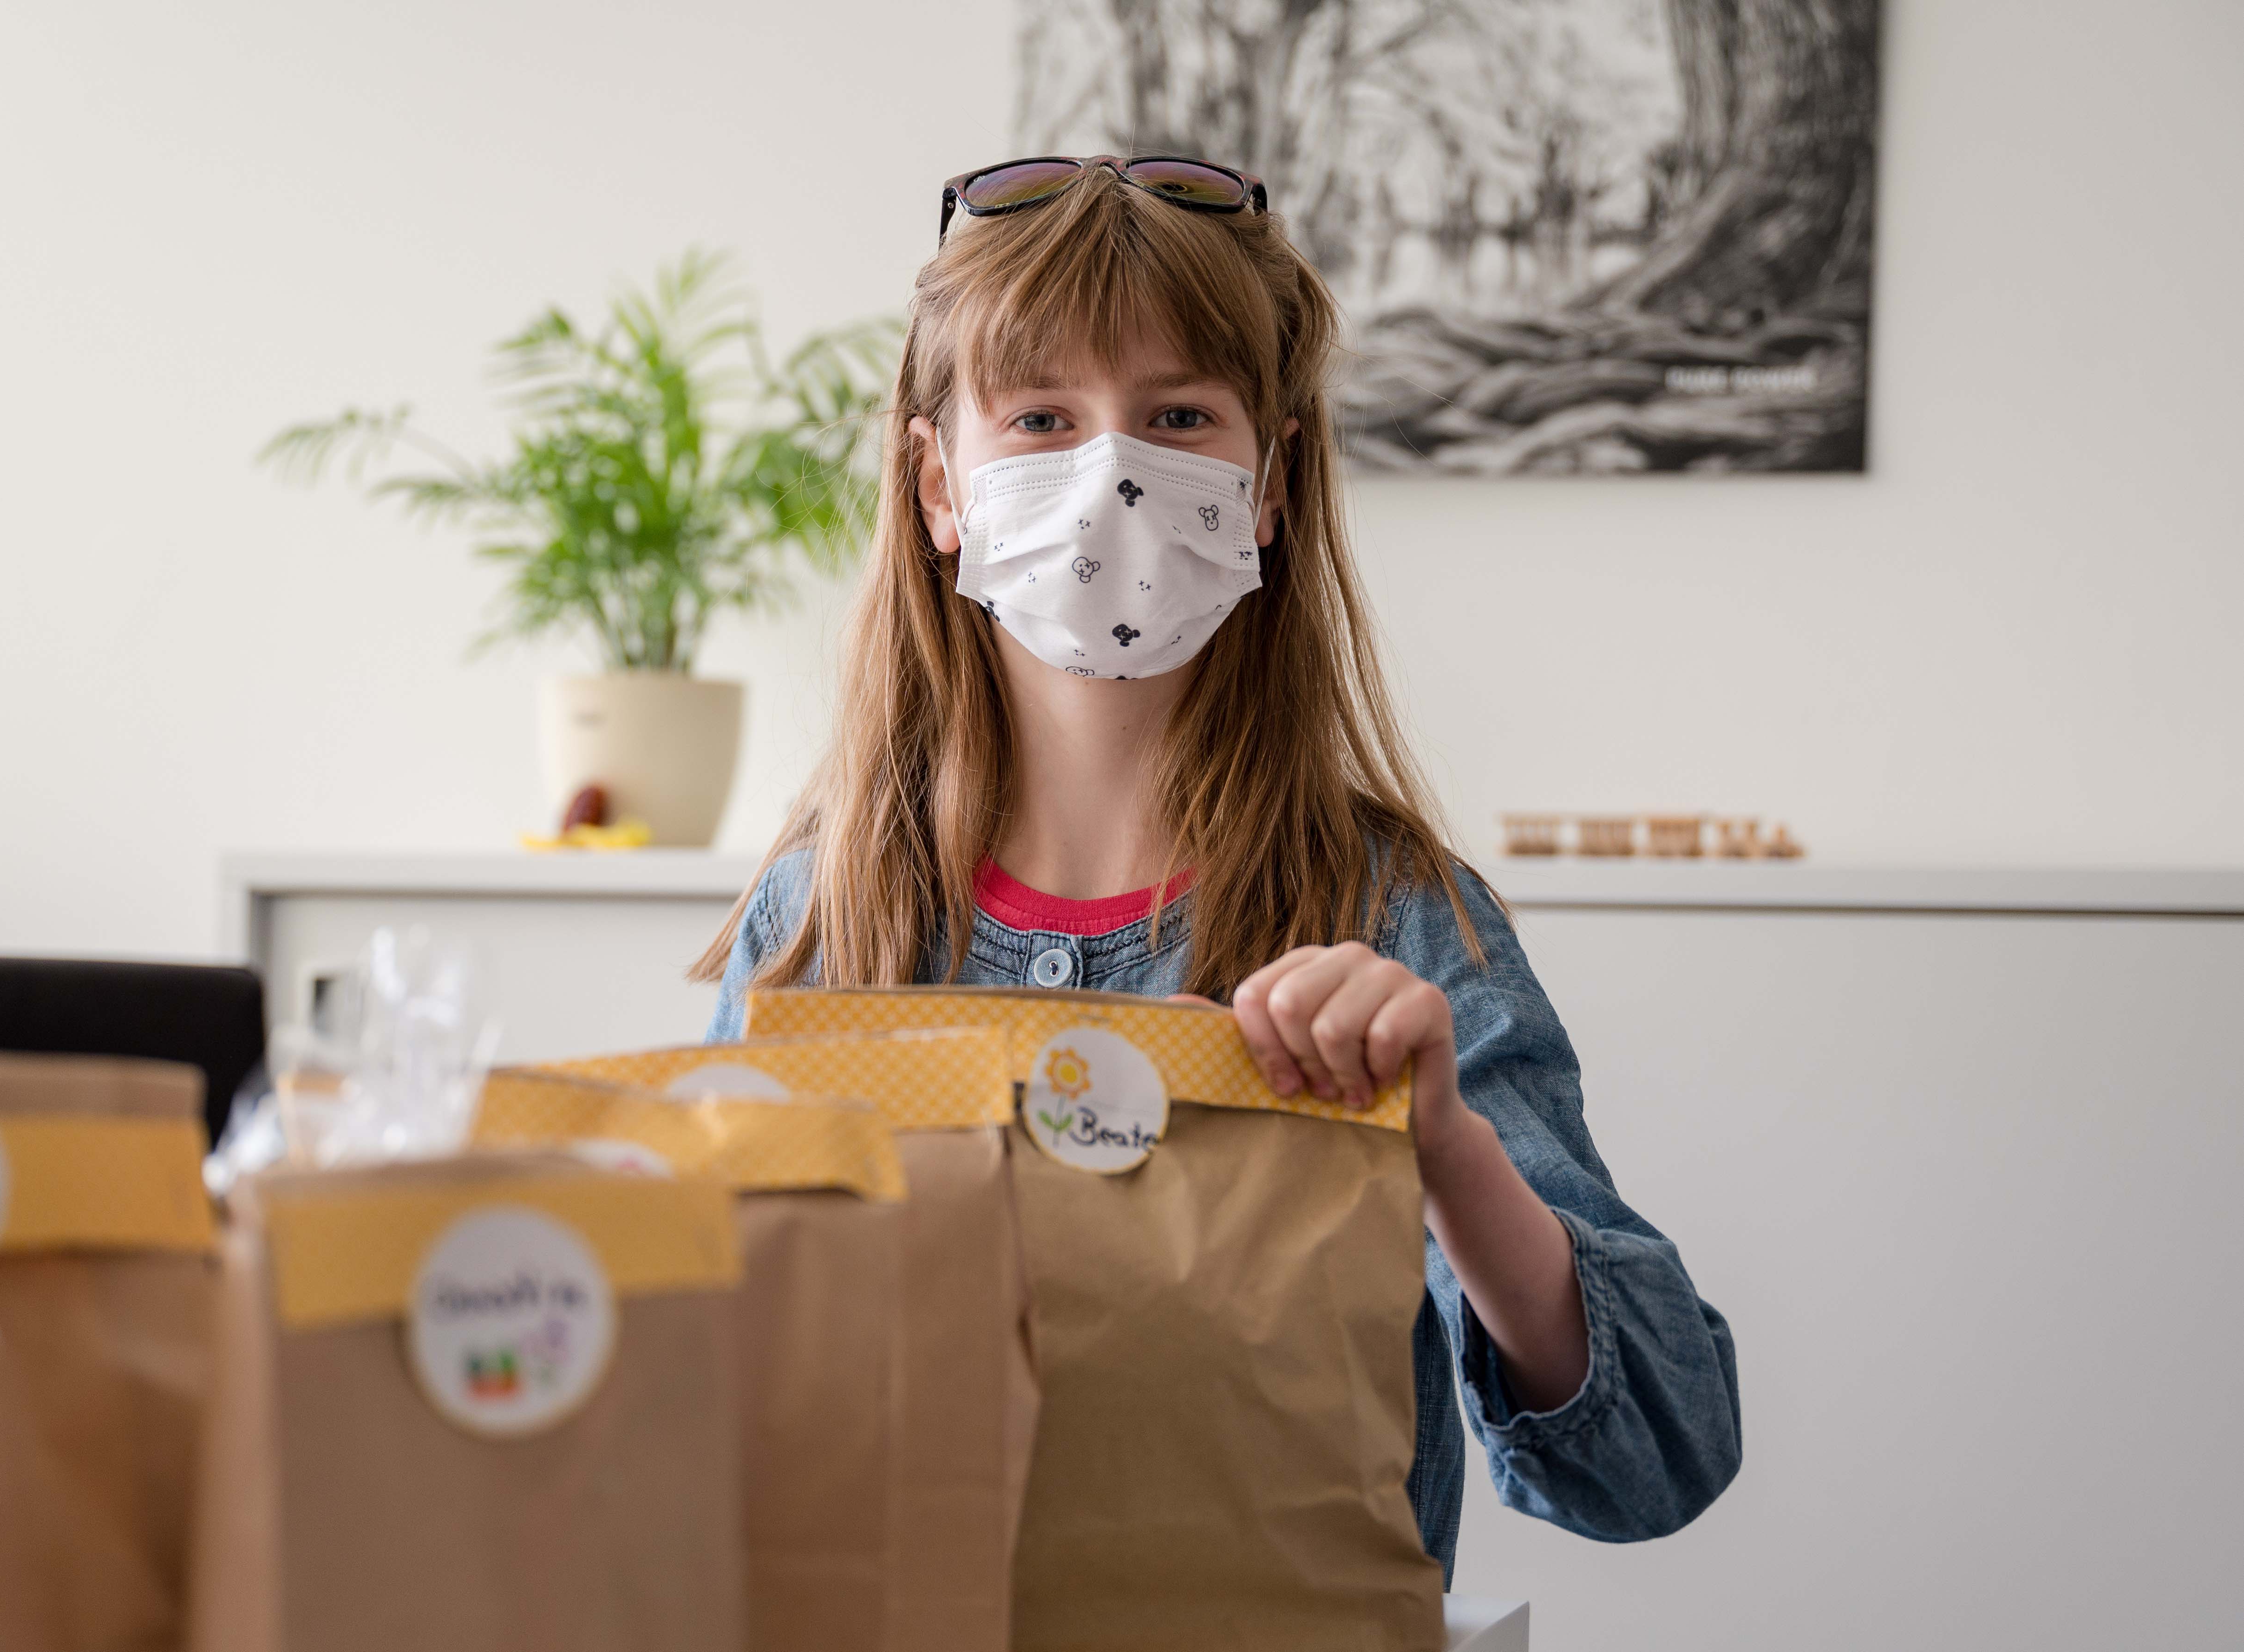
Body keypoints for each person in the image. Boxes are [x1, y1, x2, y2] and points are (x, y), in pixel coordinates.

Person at [697, 154, 1740, 1579]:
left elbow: (1655, 1456)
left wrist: (1440, 1144)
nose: (1110, 472)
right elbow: (702, 1373)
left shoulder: (1394, 918)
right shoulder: (823, 917)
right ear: (940, 484)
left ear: (1267, 482)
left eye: (1177, 417)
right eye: (1042, 419)